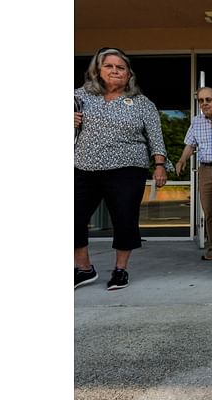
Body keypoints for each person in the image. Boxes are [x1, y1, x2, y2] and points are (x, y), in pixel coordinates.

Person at [74, 47, 172, 290]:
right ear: (97, 71)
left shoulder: (141, 103)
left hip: (128, 167)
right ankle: (84, 268)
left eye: (121, 68)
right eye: (109, 66)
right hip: (84, 166)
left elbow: (156, 137)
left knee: (124, 219)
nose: (115, 71)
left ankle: (120, 270)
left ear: (129, 75)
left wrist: (159, 165)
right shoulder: (79, 96)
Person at [175, 87, 212, 265]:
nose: (205, 103)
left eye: (209, 99)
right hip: (205, 170)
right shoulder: (197, 121)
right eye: (201, 100)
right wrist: (182, 160)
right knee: (209, 210)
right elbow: (190, 144)